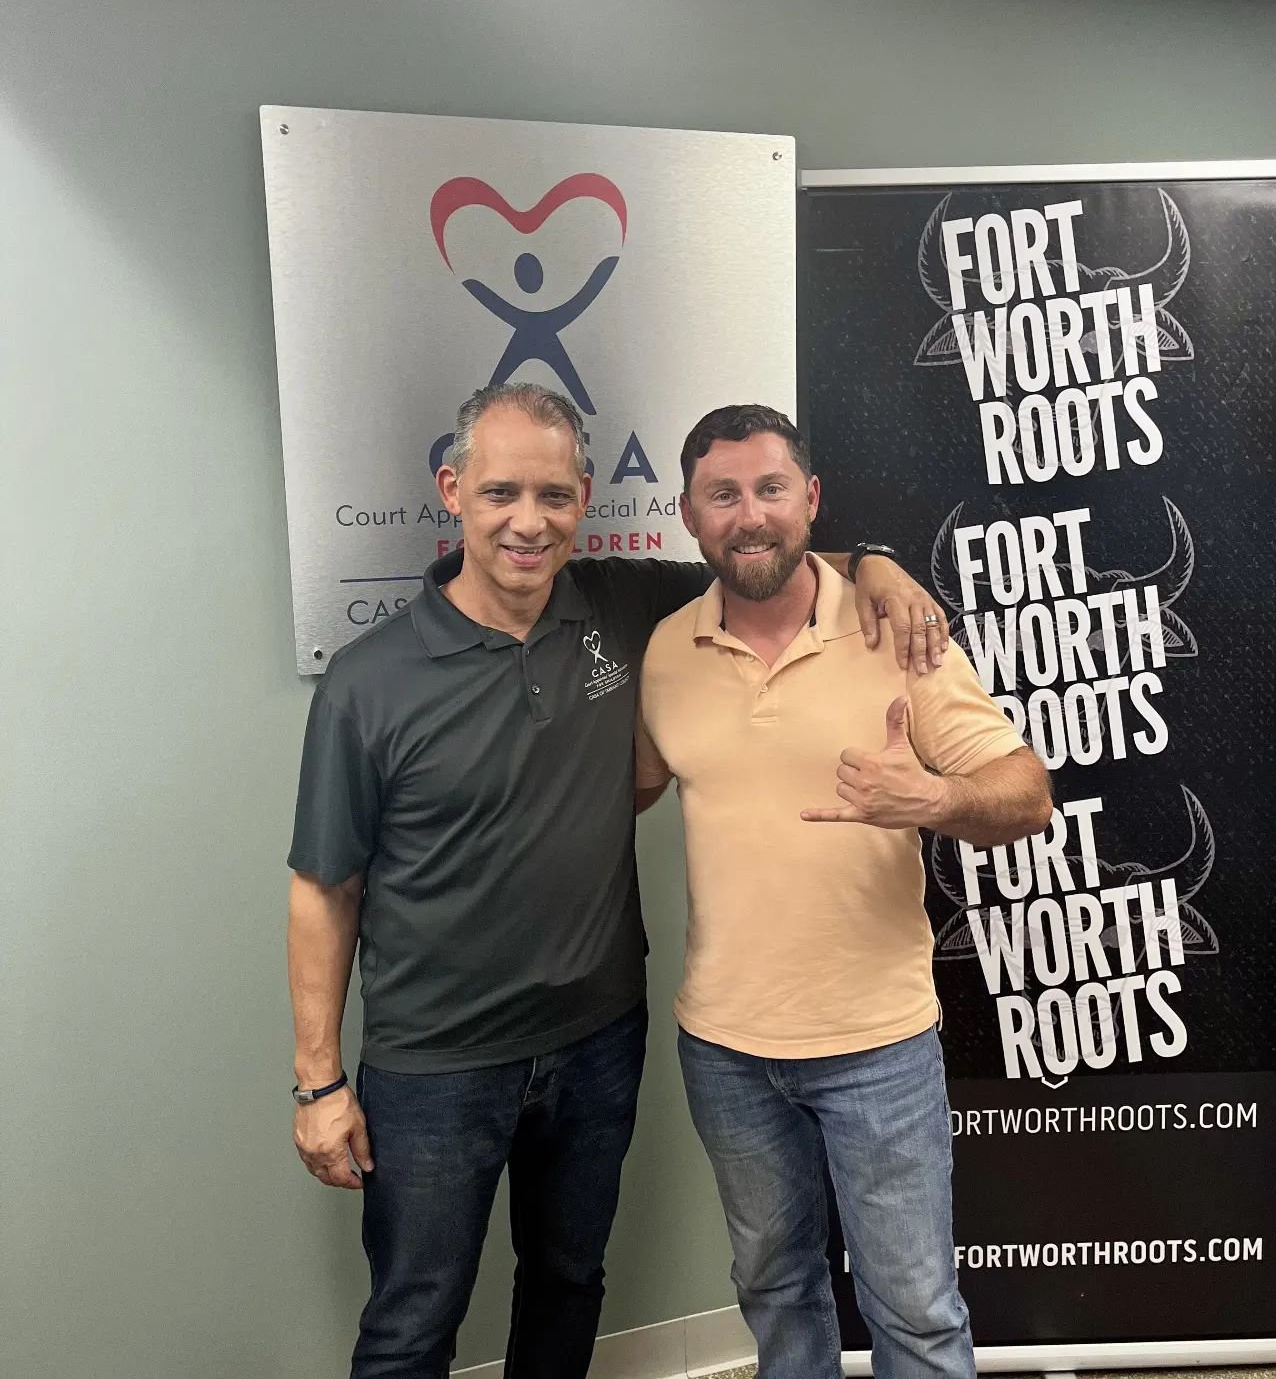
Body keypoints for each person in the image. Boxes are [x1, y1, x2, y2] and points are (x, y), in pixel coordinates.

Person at [285, 381, 950, 1379]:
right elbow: (322, 889)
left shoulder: (624, 605)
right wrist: (320, 1082)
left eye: (553, 496)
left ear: (584, 500)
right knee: (413, 1319)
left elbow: (762, 557)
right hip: (435, 1062)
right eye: (501, 492)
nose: (528, 521)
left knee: (568, 1283)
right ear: (453, 491)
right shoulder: (367, 681)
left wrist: (881, 564)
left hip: (597, 1041)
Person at [635, 404, 1052, 1379]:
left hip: (877, 1046)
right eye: (723, 495)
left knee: (915, 1311)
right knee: (775, 1289)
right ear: (688, 515)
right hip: (726, 1048)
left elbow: (1027, 794)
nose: (751, 515)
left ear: (811, 499)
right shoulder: (663, 653)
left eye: (771, 489)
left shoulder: (893, 633)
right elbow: (632, 787)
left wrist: (935, 798)